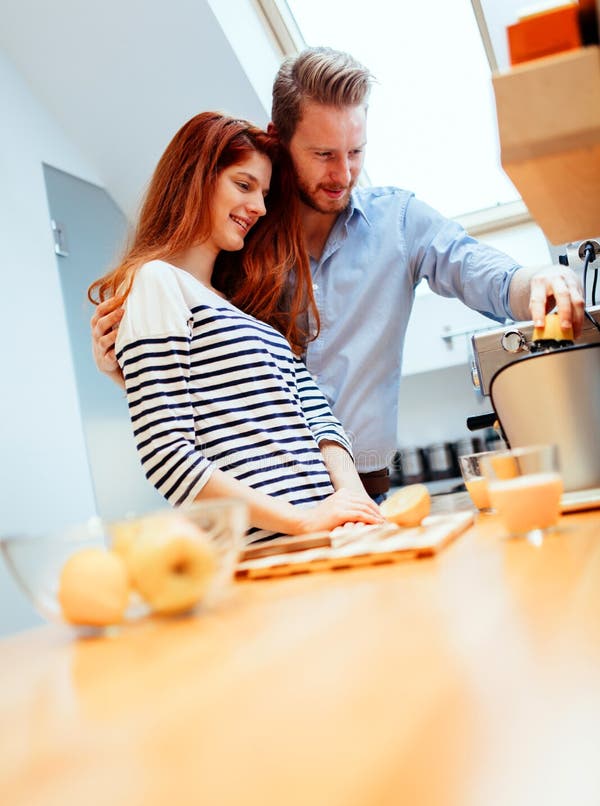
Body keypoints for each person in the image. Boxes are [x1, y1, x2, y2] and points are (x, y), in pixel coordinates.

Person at [92, 47, 585, 498]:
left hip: (367, 492)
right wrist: (130, 370)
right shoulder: (238, 240)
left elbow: (491, 278)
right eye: (324, 154)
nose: (344, 174)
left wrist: (539, 280)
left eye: (356, 152)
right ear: (280, 142)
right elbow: (203, 382)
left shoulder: (400, 222)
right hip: (267, 504)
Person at [88, 112, 383, 542]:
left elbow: (316, 415)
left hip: (331, 537)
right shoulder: (157, 281)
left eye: (262, 193)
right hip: (270, 554)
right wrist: (301, 521)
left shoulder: (246, 309)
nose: (259, 208)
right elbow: (166, 454)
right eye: (243, 185)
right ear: (194, 179)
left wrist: (353, 503)